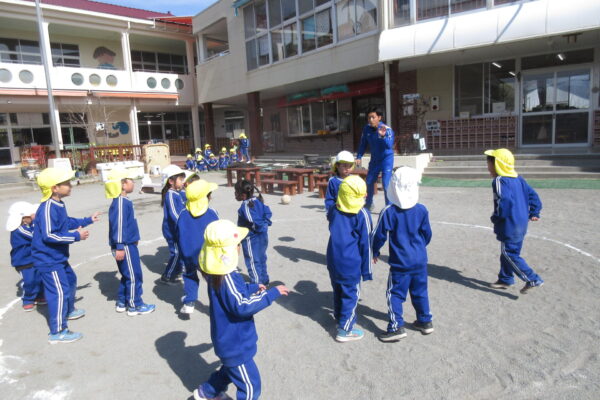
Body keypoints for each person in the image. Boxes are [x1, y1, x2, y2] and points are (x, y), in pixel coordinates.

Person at [193, 220, 289, 400]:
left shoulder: (217, 273)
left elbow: (233, 293)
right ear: (226, 251)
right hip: (235, 344)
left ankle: (206, 393)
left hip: (228, 340)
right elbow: (242, 306)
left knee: (229, 371)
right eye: (237, 244)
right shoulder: (226, 276)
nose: (239, 247)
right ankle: (208, 392)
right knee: (251, 386)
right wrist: (270, 294)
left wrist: (252, 288)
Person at [33, 168, 99, 343]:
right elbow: (49, 235)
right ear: (54, 188)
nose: (70, 185)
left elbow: (66, 222)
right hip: (48, 259)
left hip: (57, 257)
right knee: (59, 292)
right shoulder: (47, 208)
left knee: (70, 280)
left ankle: (68, 311)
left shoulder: (58, 204)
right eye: (66, 183)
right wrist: (76, 236)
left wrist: (87, 220)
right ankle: (58, 331)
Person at [372, 167, 433, 342]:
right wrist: (419, 247)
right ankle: (425, 321)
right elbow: (427, 234)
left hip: (400, 262)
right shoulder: (422, 209)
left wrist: (374, 251)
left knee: (395, 293)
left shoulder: (389, 211)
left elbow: (379, 235)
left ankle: (396, 326)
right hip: (420, 260)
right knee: (420, 291)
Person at [485, 149, 544, 294]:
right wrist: (535, 211)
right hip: (521, 222)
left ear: (497, 164)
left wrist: (496, 217)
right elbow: (533, 195)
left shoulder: (499, 181)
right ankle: (505, 279)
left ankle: (532, 279)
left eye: (489, 163)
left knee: (509, 253)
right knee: (509, 250)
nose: (487, 167)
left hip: (509, 224)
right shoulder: (519, 179)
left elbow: (504, 202)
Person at [326, 175, 372, 342]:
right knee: (351, 294)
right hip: (351, 263)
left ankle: (339, 316)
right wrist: (367, 271)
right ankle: (345, 329)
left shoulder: (333, 209)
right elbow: (366, 244)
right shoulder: (362, 214)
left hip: (333, 258)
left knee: (338, 288)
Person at [105, 169, 155, 316]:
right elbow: (119, 226)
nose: (133, 182)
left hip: (127, 243)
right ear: (122, 184)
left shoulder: (123, 201)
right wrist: (120, 246)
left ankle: (122, 301)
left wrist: (135, 238)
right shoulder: (121, 202)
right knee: (134, 276)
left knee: (127, 274)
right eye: (131, 180)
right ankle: (135, 305)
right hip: (124, 245)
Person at [175, 179, 219, 314]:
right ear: (205, 197)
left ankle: (189, 302)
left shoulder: (183, 214)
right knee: (213, 279)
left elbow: (177, 234)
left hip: (188, 254)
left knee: (189, 276)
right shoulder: (212, 213)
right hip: (207, 255)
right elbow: (218, 234)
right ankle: (216, 305)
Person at [356, 108, 395, 211]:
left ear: (379, 117)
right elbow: (363, 143)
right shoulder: (366, 129)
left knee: (386, 184)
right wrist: (359, 156)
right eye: (369, 118)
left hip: (386, 159)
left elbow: (389, 145)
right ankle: (369, 204)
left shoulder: (386, 129)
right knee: (369, 181)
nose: (371, 120)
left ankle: (389, 207)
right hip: (374, 160)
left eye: (373, 117)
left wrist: (382, 136)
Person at [7, 201, 44, 311]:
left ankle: (39, 296)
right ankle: (28, 299)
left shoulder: (26, 226)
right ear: (23, 218)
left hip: (32, 258)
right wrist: (36, 223)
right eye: (30, 216)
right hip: (23, 261)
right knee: (30, 281)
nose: (32, 217)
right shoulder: (19, 230)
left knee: (39, 278)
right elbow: (34, 235)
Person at [234, 180, 272, 285]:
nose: (235, 194)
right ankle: (264, 280)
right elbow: (268, 212)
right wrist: (266, 224)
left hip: (251, 239)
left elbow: (253, 220)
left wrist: (261, 227)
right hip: (262, 237)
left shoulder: (246, 206)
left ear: (243, 194)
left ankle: (257, 285)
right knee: (261, 258)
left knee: (253, 261)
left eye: (236, 192)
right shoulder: (258, 200)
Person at [160, 165, 186, 284]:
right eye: (180, 179)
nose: (183, 182)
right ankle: (167, 276)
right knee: (176, 253)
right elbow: (174, 214)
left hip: (178, 229)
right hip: (172, 231)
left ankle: (177, 272)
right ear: (171, 181)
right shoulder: (170, 194)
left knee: (180, 252)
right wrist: (185, 225)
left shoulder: (177, 193)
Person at [325, 150, 355, 216]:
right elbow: (329, 198)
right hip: (338, 212)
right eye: (344, 166)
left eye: (350, 166)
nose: (347, 168)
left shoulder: (354, 179)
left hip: (353, 211)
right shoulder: (333, 181)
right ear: (337, 166)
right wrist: (329, 211)